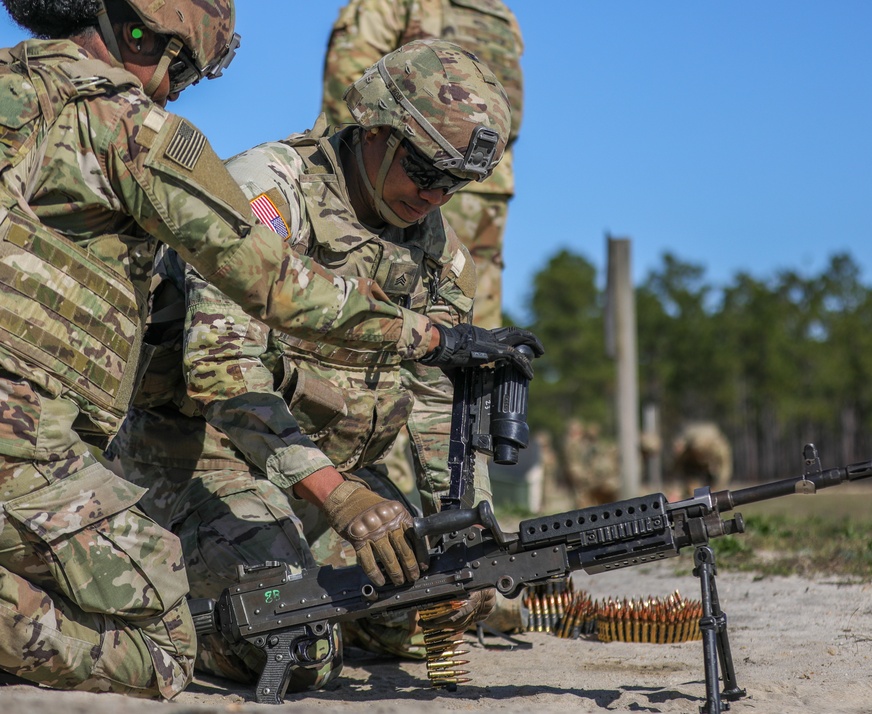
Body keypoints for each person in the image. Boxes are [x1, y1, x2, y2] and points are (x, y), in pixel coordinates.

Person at [0, 0, 531, 699]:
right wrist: (338, 491)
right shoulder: (270, 189)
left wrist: (466, 533)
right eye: (425, 168)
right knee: (292, 644)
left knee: (425, 606)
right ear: (376, 129)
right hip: (212, 470)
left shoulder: (433, 254)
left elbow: (437, 404)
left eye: (455, 184)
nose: (434, 196)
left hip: (323, 492)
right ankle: (175, 609)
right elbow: (225, 363)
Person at [322, 0, 524, 332]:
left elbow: (351, 93)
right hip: (484, 187)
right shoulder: (498, 11)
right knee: (471, 328)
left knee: (372, 310)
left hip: (405, 174)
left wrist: (340, 173)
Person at [671, 421, 733, 495]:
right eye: (697, 454)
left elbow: (725, 468)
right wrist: (675, 490)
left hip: (711, 464)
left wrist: (716, 487)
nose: (699, 456)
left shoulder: (720, 448)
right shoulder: (683, 448)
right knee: (691, 488)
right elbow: (677, 469)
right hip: (690, 461)